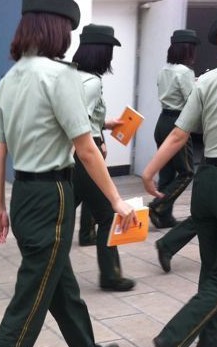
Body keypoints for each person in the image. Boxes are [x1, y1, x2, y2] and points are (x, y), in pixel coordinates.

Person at [0, 0, 136, 347]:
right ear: (56, 29)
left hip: (24, 196)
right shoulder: (61, 77)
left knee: (61, 283)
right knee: (30, 300)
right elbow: (85, 148)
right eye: (68, 29)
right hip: (52, 197)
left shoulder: (8, 81)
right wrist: (117, 201)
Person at [142, 15, 217, 347]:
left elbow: (178, 135)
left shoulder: (205, 81)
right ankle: (172, 338)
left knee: (212, 266)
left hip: (207, 181)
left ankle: (210, 342)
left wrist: (149, 169)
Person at [72, 24, 135, 292]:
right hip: (83, 155)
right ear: (101, 52)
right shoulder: (92, 82)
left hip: (75, 154)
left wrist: (106, 126)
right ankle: (110, 276)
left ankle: (45, 263)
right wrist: (96, 143)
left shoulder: (73, 76)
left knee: (61, 214)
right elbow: (80, 122)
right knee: (109, 215)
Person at [148, 29, 199, 229]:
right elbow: (191, 100)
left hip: (162, 121)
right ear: (188, 49)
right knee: (186, 172)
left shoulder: (164, 69)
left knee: (167, 172)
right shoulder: (185, 72)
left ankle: (164, 217)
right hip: (178, 123)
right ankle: (158, 206)